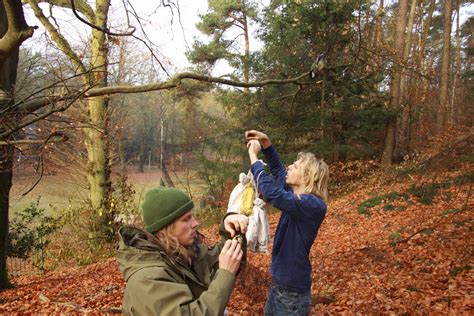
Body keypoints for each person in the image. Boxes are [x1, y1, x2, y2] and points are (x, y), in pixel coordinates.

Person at [116, 187, 248, 315]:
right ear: (165, 228)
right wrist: (226, 274)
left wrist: (230, 229)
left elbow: (219, 259)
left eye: (192, 216)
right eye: (186, 219)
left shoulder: (182, 253)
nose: (195, 223)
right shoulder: (147, 278)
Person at [245, 130, 329, 315]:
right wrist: (266, 144)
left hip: (292, 296)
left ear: (307, 177)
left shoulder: (313, 205)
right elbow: (278, 171)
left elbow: (272, 193)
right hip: (278, 287)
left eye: (296, 166)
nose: (290, 167)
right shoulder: (296, 198)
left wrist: (254, 158)